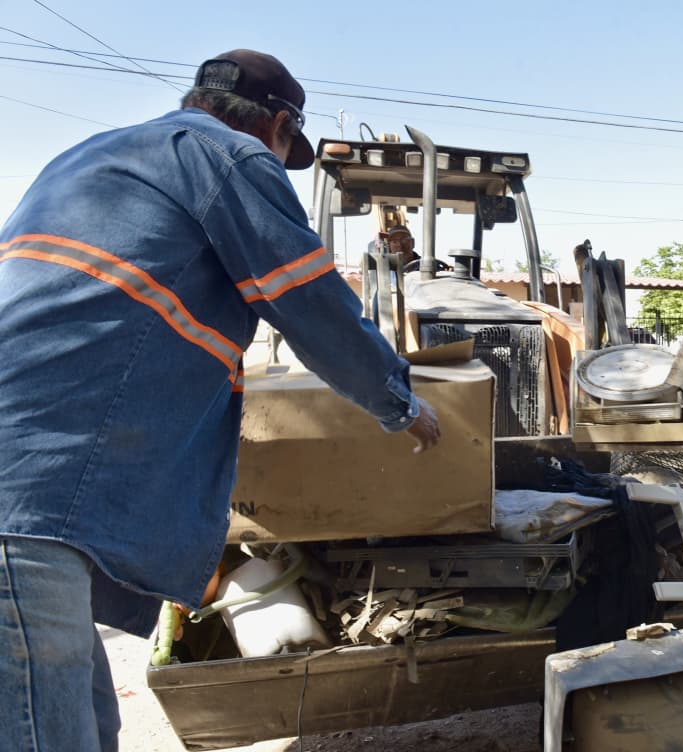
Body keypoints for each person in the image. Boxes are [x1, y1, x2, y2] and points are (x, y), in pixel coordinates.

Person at [0, 49, 439, 751]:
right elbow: (306, 298)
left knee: (85, 720)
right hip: (32, 496)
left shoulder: (90, 159)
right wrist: (400, 402)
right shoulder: (229, 156)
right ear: (279, 125)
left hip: (35, 486)